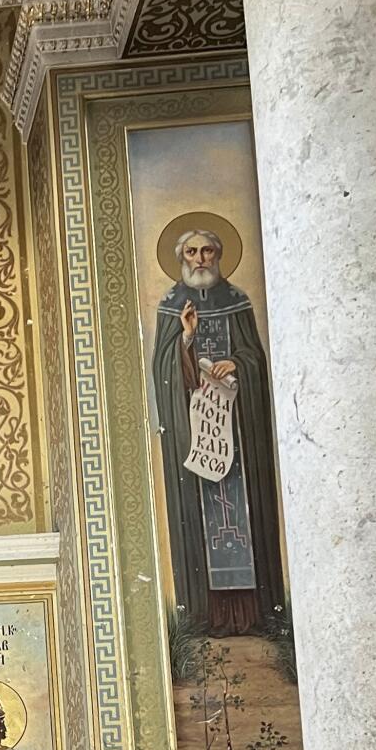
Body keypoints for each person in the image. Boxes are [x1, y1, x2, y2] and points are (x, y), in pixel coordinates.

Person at [151, 227, 287, 637]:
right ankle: (206, 615)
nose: (200, 259)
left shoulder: (237, 302)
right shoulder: (172, 306)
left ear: (218, 255)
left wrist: (237, 363)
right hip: (197, 434)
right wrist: (188, 339)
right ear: (180, 259)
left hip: (239, 434)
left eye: (207, 250)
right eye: (191, 252)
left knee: (242, 515)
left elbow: (256, 360)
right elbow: (164, 370)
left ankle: (255, 614)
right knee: (203, 516)